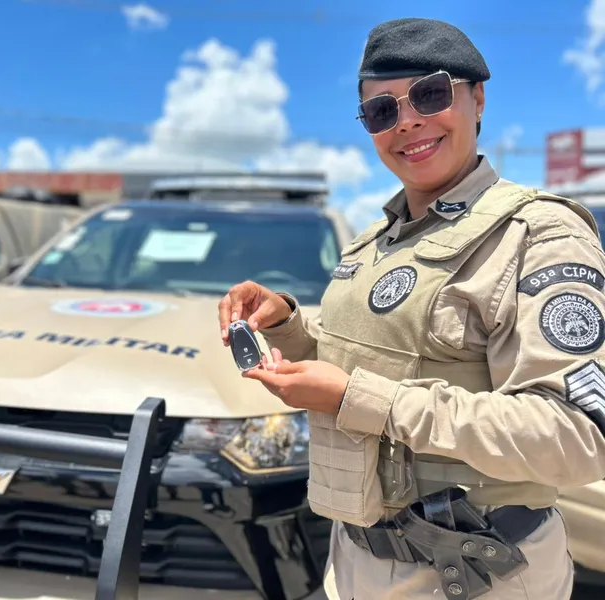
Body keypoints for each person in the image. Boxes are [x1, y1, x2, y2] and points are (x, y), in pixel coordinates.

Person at [217, 17, 605, 600]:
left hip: (479, 571)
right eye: (381, 111)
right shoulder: (373, 243)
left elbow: (576, 437)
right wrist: (287, 327)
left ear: (477, 98)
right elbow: (368, 364)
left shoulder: (538, 233)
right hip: (355, 557)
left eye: (430, 94)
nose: (407, 121)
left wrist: (359, 401)